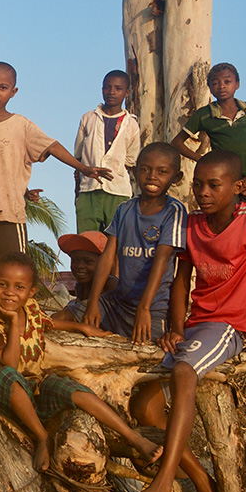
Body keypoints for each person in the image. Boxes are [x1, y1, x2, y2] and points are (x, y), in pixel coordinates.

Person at [120, 150, 246, 492]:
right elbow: (180, 282)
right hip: (199, 324)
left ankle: (161, 485)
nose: (202, 192)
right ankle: (205, 490)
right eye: (197, 184)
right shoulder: (191, 224)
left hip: (232, 325)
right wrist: (176, 329)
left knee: (184, 372)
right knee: (144, 407)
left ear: (238, 188)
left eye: (213, 185)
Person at [0, 253, 160, 472]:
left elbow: (46, 323)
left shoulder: (31, 308)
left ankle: (132, 437)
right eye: (3, 285)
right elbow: (10, 364)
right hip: (9, 395)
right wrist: (13, 321)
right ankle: (42, 437)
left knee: (72, 389)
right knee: (6, 375)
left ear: (31, 291)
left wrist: (82, 327)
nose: (10, 293)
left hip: (37, 387)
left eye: (19, 287)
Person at [0, 62, 112, 257]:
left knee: (16, 267)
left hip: (8, 214)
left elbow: (51, 146)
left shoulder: (20, 125)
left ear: (13, 92)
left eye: (3, 88)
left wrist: (82, 167)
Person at [83, 143, 186, 343]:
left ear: (176, 178)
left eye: (162, 172)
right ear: (134, 171)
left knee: (146, 354)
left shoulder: (174, 211)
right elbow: (107, 256)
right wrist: (94, 301)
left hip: (153, 308)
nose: (152, 177)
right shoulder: (125, 209)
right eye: (145, 169)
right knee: (60, 320)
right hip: (117, 303)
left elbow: (162, 260)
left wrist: (144, 308)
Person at [171, 63, 246, 220]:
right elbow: (177, 142)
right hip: (224, 183)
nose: (221, 86)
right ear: (210, 88)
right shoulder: (204, 115)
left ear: (237, 84)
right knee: (227, 223)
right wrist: (204, 160)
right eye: (215, 83)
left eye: (227, 81)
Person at [73, 70, 141, 233]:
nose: (111, 92)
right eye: (107, 87)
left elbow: (131, 160)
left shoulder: (131, 124)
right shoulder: (88, 118)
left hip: (118, 191)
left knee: (116, 242)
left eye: (118, 88)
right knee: (87, 242)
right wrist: (77, 192)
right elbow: (78, 156)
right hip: (88, 190)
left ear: (127, 93)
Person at [51, 230, 117, 324]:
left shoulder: (110, 285)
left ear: (104, 264)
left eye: (87, 261)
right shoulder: (81, 286)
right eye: (75, 260)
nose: (79, 266)